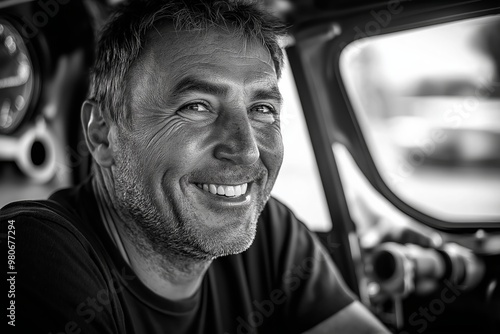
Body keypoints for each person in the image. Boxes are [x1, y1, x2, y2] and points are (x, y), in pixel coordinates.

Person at [1, 0, 390, 333]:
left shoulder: (267, 231)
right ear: (103, 133)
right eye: (197, 107)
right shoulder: (27, 249)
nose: (247, 151)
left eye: (262, 109)